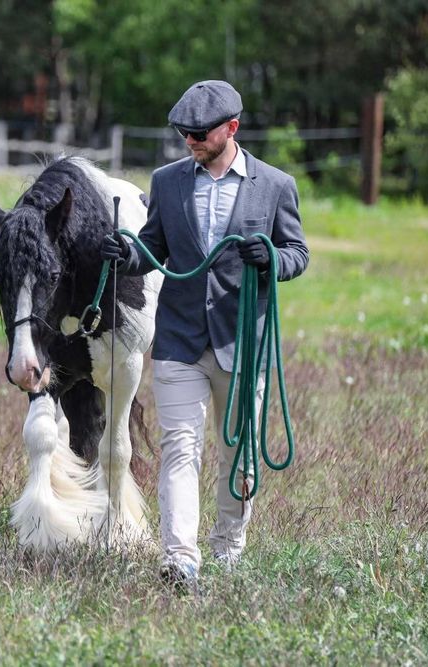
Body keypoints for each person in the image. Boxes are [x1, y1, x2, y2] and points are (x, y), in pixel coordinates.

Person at [101, 80, 309, 590]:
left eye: (199, 133)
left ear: (231, 128)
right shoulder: (167, 182)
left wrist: (274, 259)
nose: (189, 140)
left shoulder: (275, 185)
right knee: (179, 447)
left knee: (237, 453)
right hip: (179, 340)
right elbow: (152, 248)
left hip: (244, 342)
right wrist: (123, 254)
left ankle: (229, 549)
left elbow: (298, 254)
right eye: (183, 133)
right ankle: (180, 559)